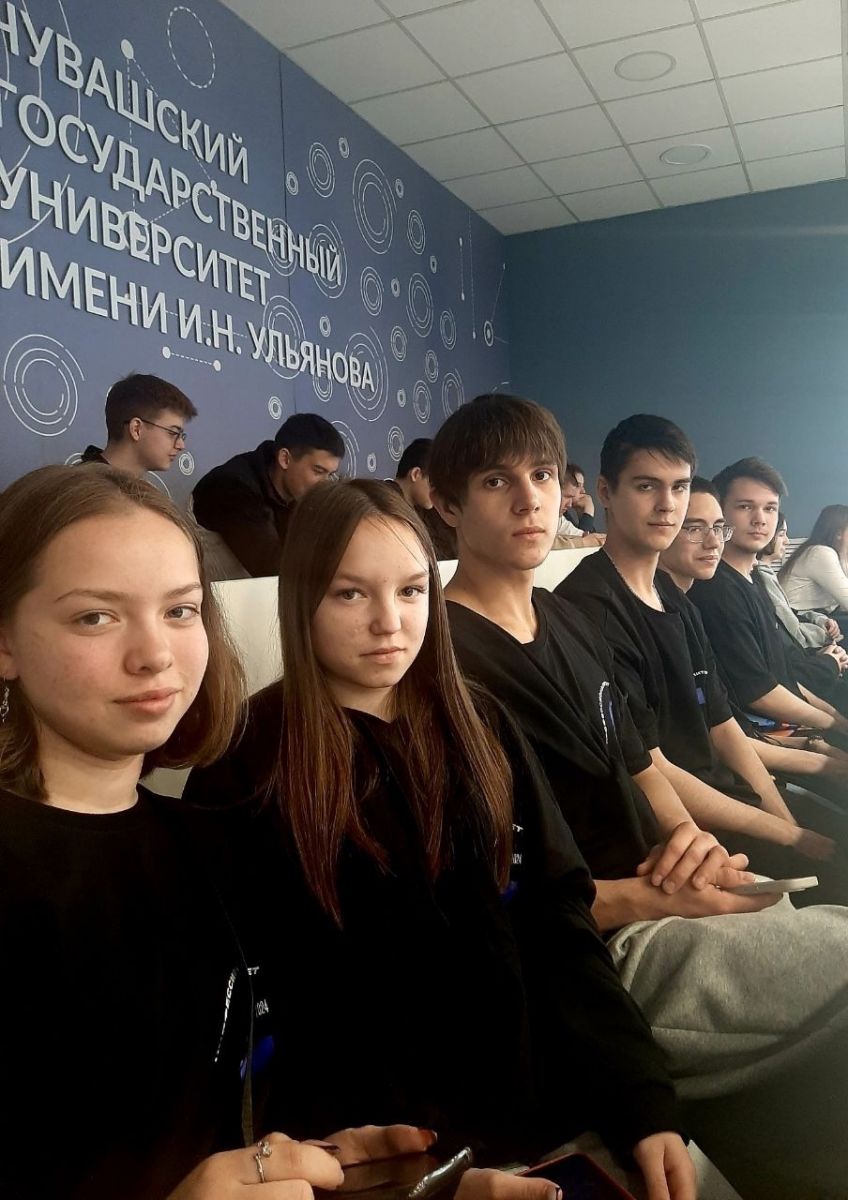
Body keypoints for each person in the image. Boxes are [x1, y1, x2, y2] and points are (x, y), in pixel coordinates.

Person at [184, 478, 695, 1200]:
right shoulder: (246, 761)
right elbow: (263, 1012)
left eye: (411, 591)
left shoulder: (481, 724)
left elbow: (556, 920)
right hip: (379, 1156)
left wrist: (640, 1099)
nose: (388, 623)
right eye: (350, 594)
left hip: (540, 1106)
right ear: (301, 599)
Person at [428, 394, 848, 1200]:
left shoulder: (563, 620)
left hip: (669, 896)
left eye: (542, 475)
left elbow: (643, 767)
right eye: (495, 481)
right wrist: (658, 895)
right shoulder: (442, 661)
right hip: (601, 950)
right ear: (447, 505)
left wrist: (696, 845)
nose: (530, 501)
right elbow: (495, 899)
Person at [0, 465, 450, 1200]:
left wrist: (354, 1163)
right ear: (6, 642)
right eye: (96, 617)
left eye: (180, 611)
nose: (155, 655)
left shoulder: (214, 846)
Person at [556, 419, 846, 898]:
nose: (667, 504)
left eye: (679, 487)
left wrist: (787, 821)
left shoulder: (672, 595)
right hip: (678, 833)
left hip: (730, 795)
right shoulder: (589, 609)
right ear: (605, 491)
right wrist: (791, 836)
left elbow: (722, 725)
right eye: (646, 486)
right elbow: (651, 770)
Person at [660, 485, 848, 809]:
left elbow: (728, 720)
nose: (713, 541)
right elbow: (746, 705)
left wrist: (816, 743)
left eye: (717, 528)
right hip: (725, 776)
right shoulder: (710, 596)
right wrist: (793, 830)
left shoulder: (690, 605)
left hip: (764, 739)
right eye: (694, 528)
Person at [689, 458, 848, 746]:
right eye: (745, 507)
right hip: (765, 730)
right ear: (719, 513)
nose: (760, 519)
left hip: (794, 707)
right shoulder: (717, 591)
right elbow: (758, 694)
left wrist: (835, 718)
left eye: (770, 508)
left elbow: (783, 676)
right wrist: (836, 726)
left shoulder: (754, 580)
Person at [192, 413, 344, 577]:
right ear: (285, 459)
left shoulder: (300, 494)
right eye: (318, 471)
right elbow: (275, 569)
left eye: (330, 475)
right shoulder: (232, 487)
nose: (325, 484)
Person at [79, 372, 197, 475]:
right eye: (173, 433)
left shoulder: (87, 482)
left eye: (181, 436)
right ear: (136, 429)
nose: (181, 445)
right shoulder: (82, 489)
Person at [779, 504, 848, 634]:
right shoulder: (820, 553)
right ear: (839, 533)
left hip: (813, 618)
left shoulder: (823, 551)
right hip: (802, 620)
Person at [390, 438, 457, 560]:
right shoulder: (378, 504)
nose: (438, 493)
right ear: (416, 474)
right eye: (434, 484)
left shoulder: (428, 512)